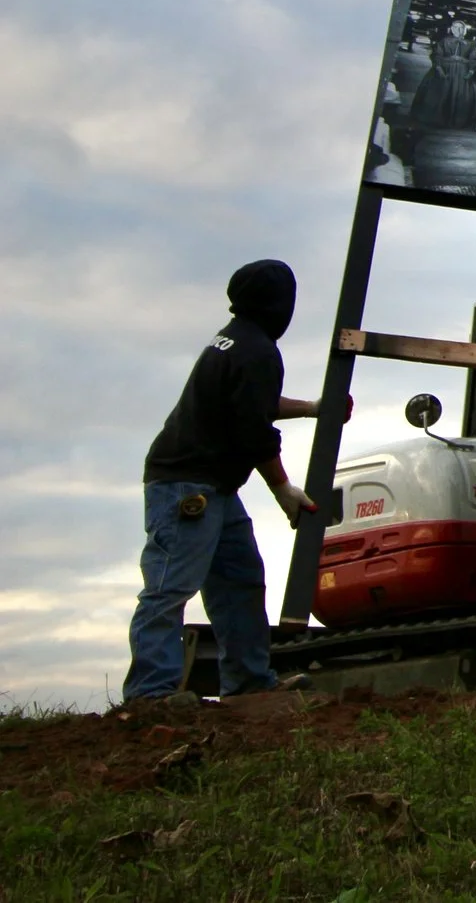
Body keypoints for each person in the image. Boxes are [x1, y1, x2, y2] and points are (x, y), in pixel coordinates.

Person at [123, 260, 339, 702]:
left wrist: (314, 408)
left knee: (240, 579)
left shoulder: (234, 339)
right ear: (282, 303)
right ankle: (149, 694)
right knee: (170, 585)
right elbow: (253, 432)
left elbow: (252, 403)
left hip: (214, 485)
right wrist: (284, 491)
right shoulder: (257, 350)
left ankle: (247, 684)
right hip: (188, 484)